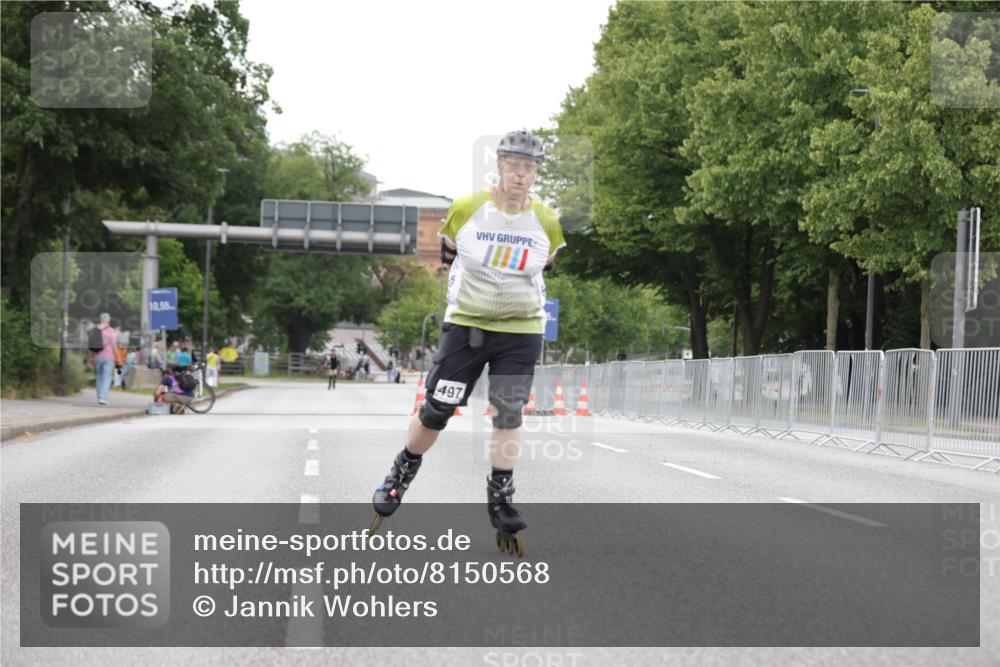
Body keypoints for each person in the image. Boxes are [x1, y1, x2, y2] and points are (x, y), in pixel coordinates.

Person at [370, 130, 565, 556]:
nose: (521, 174)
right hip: (467, 326)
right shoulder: (466, 209)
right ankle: (402, 470)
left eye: (529, 167)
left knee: (509, 412)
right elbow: (448, 255)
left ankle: (501, 495)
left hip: (522, 330)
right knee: (438, 409)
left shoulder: (547, 220)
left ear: (535, 173)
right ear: (499, 166)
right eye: (514, 165)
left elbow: (546, 263)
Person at [91, 313, 118, 405]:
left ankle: (99, 396)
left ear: (100, 319)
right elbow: (114, 345)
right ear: (108, 320)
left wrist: (92, 358)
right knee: (107, 377)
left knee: (99, 376)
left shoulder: (95, 330)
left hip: (97, 355)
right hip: (108, 356)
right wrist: (117, 357)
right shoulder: (111, 330)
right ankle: (102, 397)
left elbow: (91, 345)